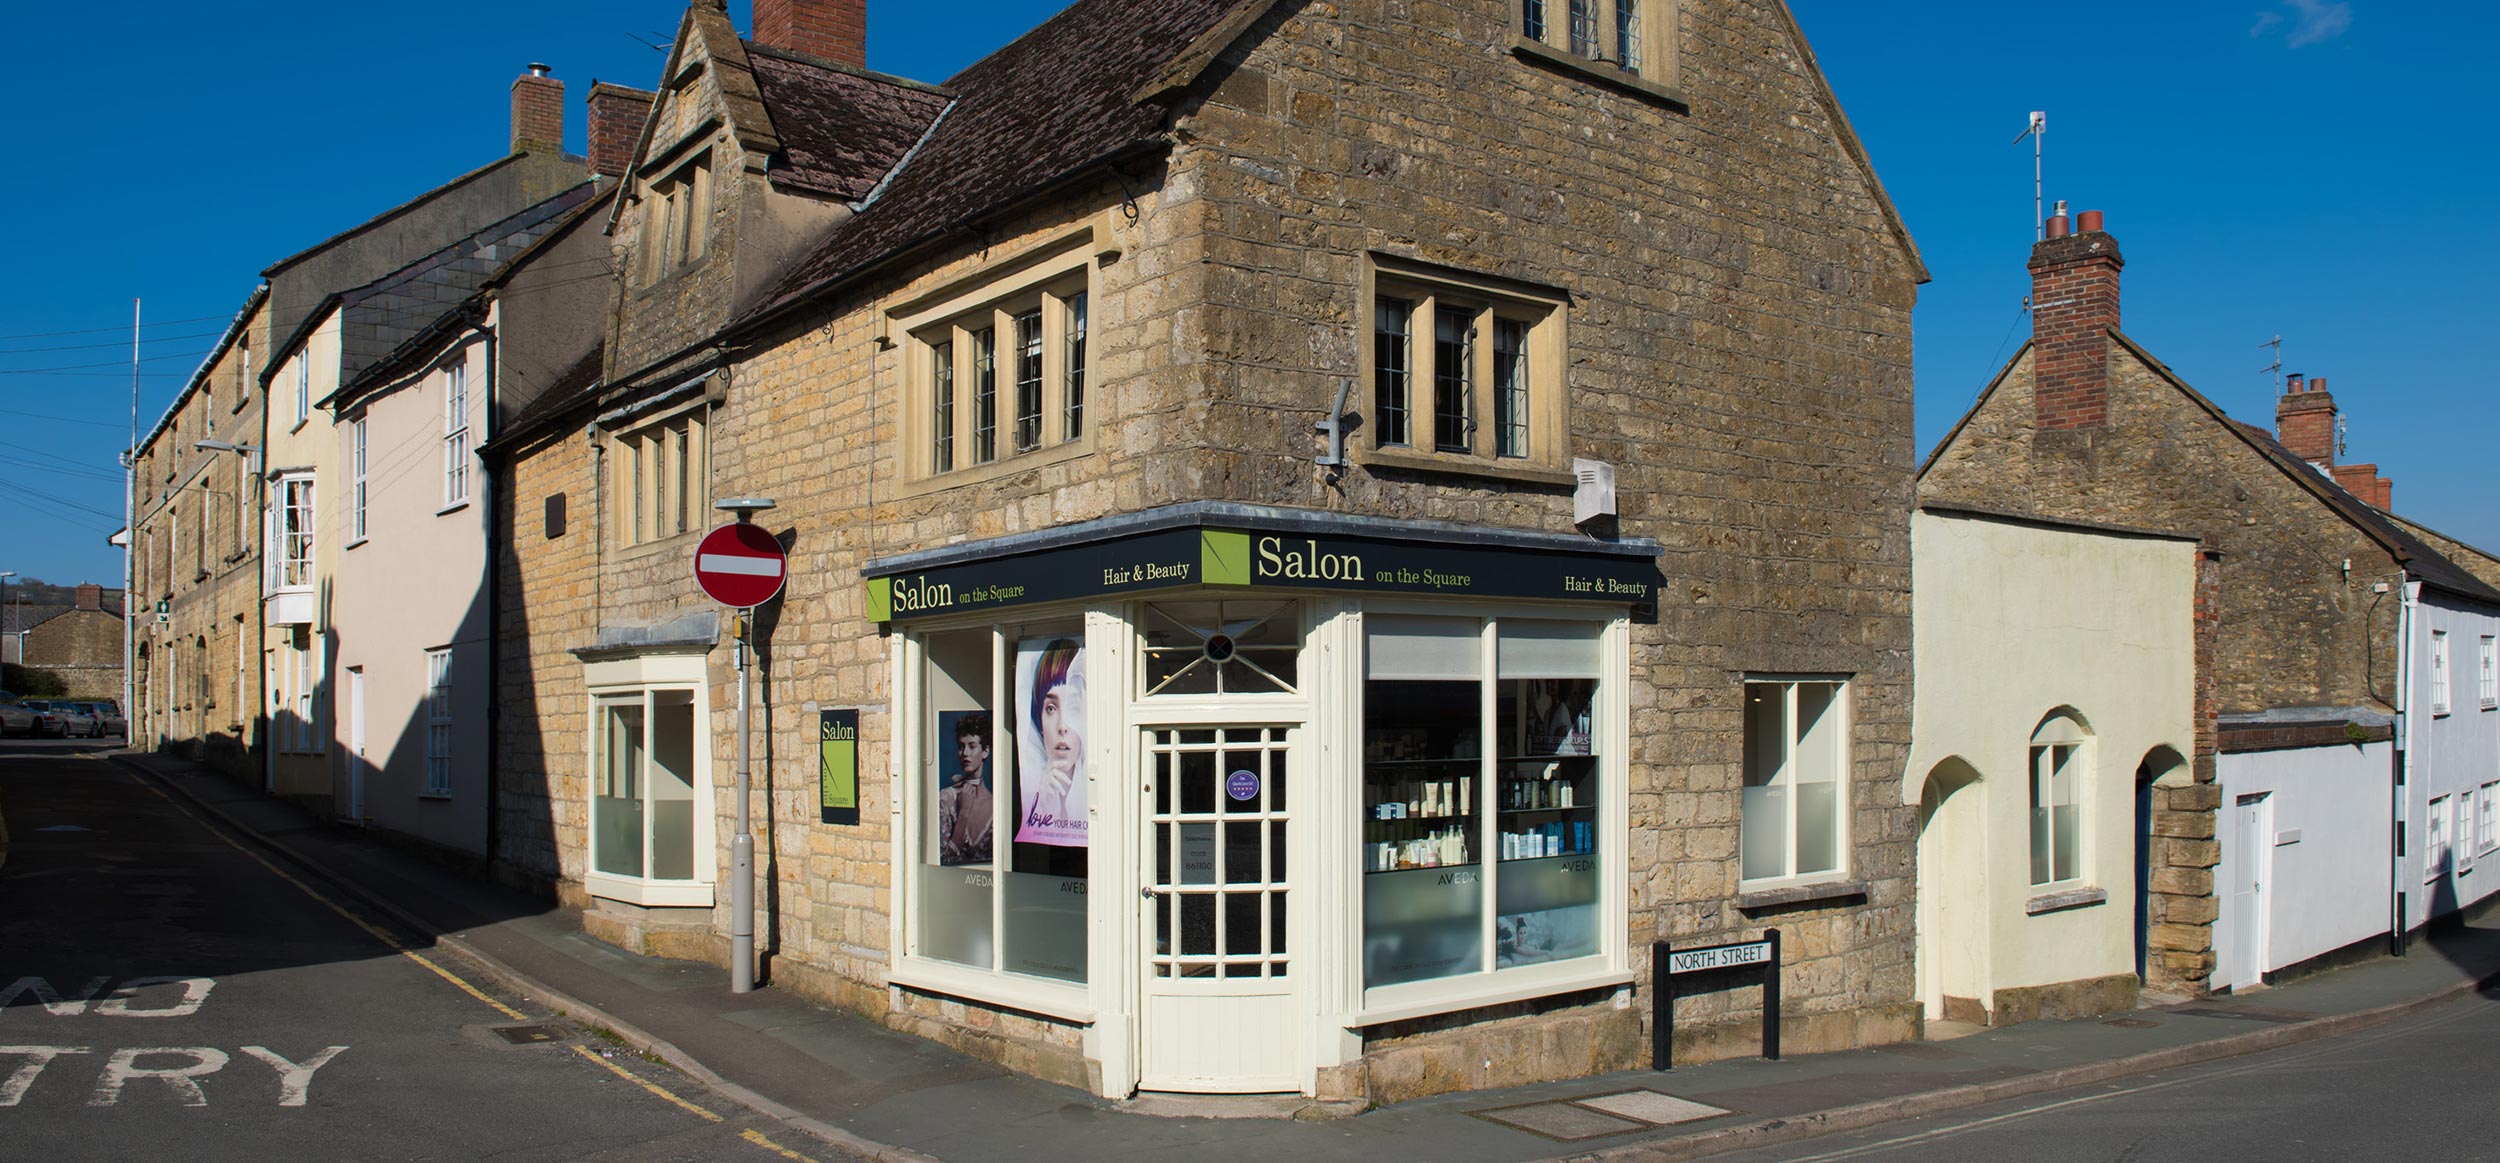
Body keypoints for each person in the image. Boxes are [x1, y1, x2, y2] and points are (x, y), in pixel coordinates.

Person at [1017, 639, 1086, 845]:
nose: (1062, 726)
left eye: (1073, 706)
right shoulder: (1034, 793)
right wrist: (1047, 808)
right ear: (1039, 721)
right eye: (1051, 708)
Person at [939, 712, 994, 865]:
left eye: (972, 746)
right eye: (961, 746)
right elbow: (942, 860)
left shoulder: (996, 805)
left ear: (985, 751)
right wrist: (963, 813)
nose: (965, 753)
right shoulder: (946, 798)